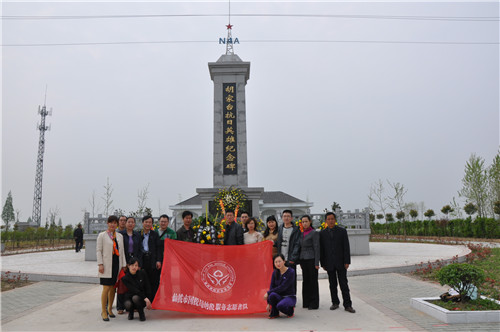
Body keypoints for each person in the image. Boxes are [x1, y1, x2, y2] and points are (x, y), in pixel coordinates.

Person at [320, 212, 355, 313]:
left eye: (332, 219)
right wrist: (323, 263)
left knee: (344, 284)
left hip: (341, 262)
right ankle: (335, 302)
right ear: (326, 221)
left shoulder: (342, 231)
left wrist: (347, 261)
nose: (331, 221)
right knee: (332, 284)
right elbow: (322, 250)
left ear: (335, 220)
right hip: (329, 263)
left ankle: (348, 305)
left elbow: (346, 247)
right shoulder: (322, 233)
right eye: (329, 219)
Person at [96, 215, 126, 321]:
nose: (113, 224)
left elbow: (121, 252)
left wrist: (123, 265)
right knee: (106, 288)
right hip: (106, 265)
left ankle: (109, 309)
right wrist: (100, 264)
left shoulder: (119, 236)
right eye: (110, 222)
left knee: (113, 287)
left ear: (117, 224)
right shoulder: (102, 235)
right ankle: (103, 311)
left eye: (114, 223)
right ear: (107, 224)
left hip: (116, 264)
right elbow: (98, 250)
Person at [117, 216, 141, 315]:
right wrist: (124, 263)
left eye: (132, 222)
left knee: (134, 285)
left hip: (134, 262)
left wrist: (137, 263)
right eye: (128, 222)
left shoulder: (137, 235)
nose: (130, 224)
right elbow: (120, 250)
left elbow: (140, 249)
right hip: (124, 262)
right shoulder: (121, 235)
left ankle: (132, 306)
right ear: (125, 223)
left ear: (134, 224)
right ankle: (120, 306)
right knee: (122, 285)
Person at [264, 254, 296, 318]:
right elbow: (272, 287)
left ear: (284, 261)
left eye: (279, 261)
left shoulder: (291, 272)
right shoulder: (275, 272)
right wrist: (268, 303)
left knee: (280, 305)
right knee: (272, 295)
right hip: (279, 296)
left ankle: (290, 311)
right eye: (276, 262)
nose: (278, 264)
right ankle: (275, 313)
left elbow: (283, 287)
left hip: (289, 297)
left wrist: (268, 293)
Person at [298, 215, 320, 310]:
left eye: (306, 221)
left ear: (310, 222)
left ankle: (314, 303)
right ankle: (306, 302)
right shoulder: (301, 233)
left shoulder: (314, 233)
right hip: (303, 260)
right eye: (303, 222)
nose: (304, 223)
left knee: (313, 281)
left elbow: (317, 248)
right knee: (305, 281)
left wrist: (316, 263)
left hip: (311, 259)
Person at [121, 257, 153, 321]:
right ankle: (131, 312)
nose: (134, 267)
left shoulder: (142, 273)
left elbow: (147, 286)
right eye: (132, 265)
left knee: (135, 298)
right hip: (130, 296)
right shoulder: (125, 278)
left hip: (140, 297)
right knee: (128, 304)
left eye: (136, 265)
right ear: (128, 266)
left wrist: (149, 299)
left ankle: (141, 313)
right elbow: (134, 290)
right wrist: (146, 299)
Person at [138, 215, 162, 301]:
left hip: (152, 260)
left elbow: (158, 248)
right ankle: (144, 300)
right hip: (142, 260)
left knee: (154, 281)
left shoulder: (155, 234)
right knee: (143, 280)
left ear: (152, 224)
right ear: (143, 223)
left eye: (150, 222)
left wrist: (158, 260)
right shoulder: (138, 234)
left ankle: (154, 300)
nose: (148, 224)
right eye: (146, 222)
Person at [277, 210, 301, 289]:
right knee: (281, 280)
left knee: (292, 280)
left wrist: (293, 258)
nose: (286, 218)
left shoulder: (296, 229)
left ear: (291, 218)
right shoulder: (280, 228)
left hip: (291, 259)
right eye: (284, 216)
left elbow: (297, 244)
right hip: (281, 259)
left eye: (288, 216)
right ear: (282, 218)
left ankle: (292, 297)